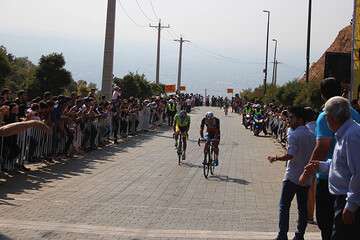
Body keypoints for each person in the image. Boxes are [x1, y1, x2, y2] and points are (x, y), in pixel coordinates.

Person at [299, 77, 360, 240]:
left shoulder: (351, 136)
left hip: (345, 198)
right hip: (340, 194)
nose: (324, 120)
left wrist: (351, 205)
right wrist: (321, 165)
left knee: (333, 231)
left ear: (333, 117)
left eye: (326, 118)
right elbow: (341, 164)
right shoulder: (344, 132)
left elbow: (358, 171)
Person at [267, 106, 316, 240]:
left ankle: (282, 235)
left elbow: (290, 155)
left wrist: (275, 158)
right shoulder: (312, 135)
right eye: (288, 117)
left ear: (300, 119)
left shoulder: (294, 135)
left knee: (284, 206)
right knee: (302, 208)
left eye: (291, 117)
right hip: (305, 177)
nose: (288, 120)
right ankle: (300, 235)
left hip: (292, 176)